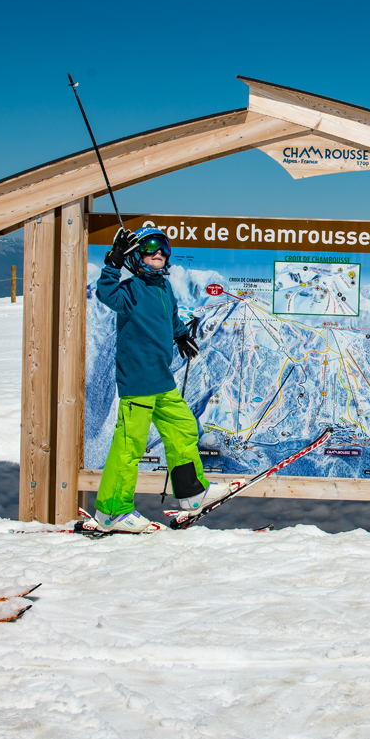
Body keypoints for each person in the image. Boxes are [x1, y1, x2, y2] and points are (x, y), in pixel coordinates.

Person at [88, 224, 233, 532]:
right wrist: (113, 262)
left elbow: (171, 316)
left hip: (162, 379)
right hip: (139, 381)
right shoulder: (130, 290)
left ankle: (192, 493)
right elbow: (105, 293)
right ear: (136, 255)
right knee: (130, 447)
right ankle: (112, 512)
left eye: (163, 248)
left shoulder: (163, 287)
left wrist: (181, 335)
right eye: (151, 248)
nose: (158, 253)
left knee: (182, 427)